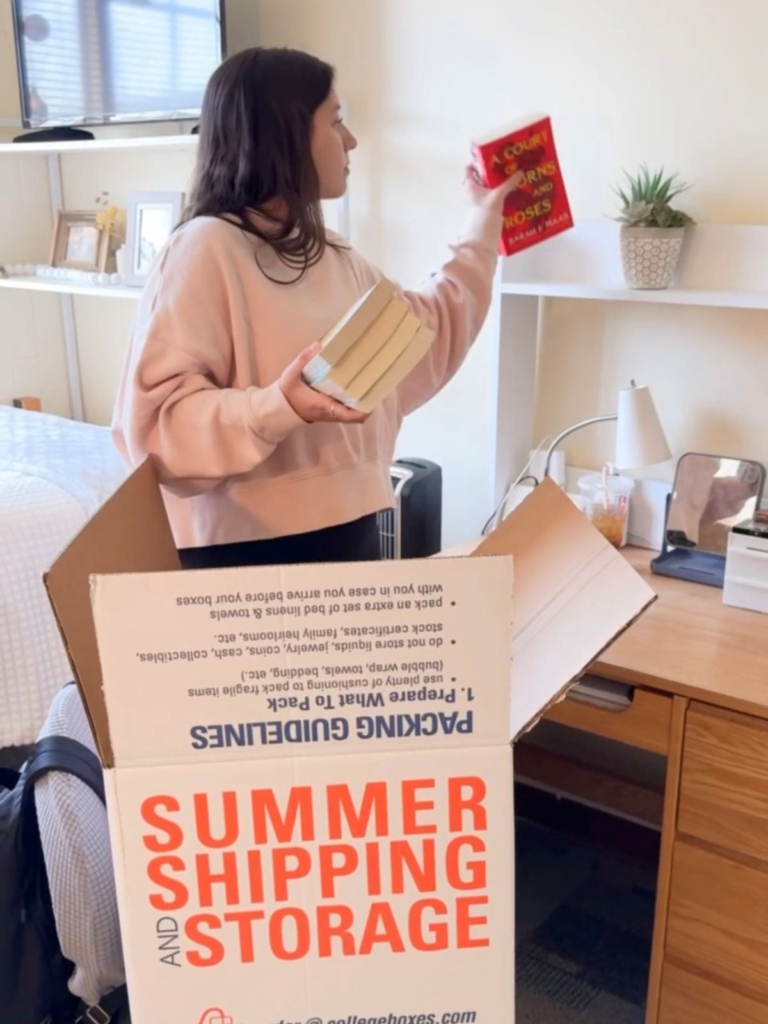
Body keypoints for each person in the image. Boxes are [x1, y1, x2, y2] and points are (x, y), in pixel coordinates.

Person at [112, 47, 522, 570]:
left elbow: (426, 334)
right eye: (336, 121)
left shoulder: (332, 255)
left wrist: (482, 223)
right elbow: (156, 430)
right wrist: (278, 407)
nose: (350, 140)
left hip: (353, 537)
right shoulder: (204, 248)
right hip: (241, 557)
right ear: (283, 135)